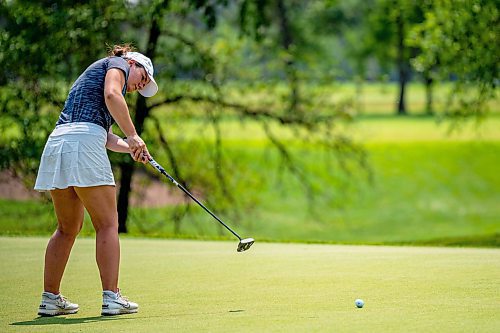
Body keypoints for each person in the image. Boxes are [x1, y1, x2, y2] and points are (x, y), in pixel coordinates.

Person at [33, 44, 158, 316]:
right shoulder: (119, 64)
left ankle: (50, 298)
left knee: (68, 227)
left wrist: (131, 147)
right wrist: (134, 135)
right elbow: (113, 95)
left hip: (59, 143)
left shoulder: (96, 77)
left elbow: (105, 136)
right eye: (143, 79)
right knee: (108, 223)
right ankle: (112, 297)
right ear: (133, 64)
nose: (140, 86)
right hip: (81, 142)